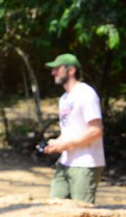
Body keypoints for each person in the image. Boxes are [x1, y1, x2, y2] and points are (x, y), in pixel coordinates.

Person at [42, 53, 105, 204]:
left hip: (85, 164)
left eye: (57, 69)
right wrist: (56, 143)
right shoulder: (64, 98)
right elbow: (70, 130)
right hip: (65, 162)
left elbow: (96, 131)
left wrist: (65, 145)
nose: (53, 73)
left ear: (71, 70)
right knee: (54, 208)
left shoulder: (86, 94)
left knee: (80, 211)